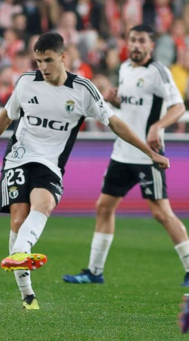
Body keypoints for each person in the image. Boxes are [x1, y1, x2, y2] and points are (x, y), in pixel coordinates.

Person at [0, 32, 169, 310]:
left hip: (51, 162)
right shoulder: (27, 82)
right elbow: (6, 115)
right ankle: (27, 295)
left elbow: (115, 123)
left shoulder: (83, 90)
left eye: (49, 60)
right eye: (39, 60)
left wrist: (149, 152)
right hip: (18, 156)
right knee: (18, 219)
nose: (43, 66)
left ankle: (20, 253)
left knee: (44, 204)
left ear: (63, 57)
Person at [63, 25, 189, 286]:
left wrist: (158, 126)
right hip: (122, 154)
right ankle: (94, 271)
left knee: (162, 213)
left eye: (141, 41)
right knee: (104, 207)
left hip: (148, 155)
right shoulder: (124, 69)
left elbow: (178, 107)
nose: (136, 45)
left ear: (151, 46)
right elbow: (132, 105)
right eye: (132, 40)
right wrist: (115, 100)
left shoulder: (158, 71)